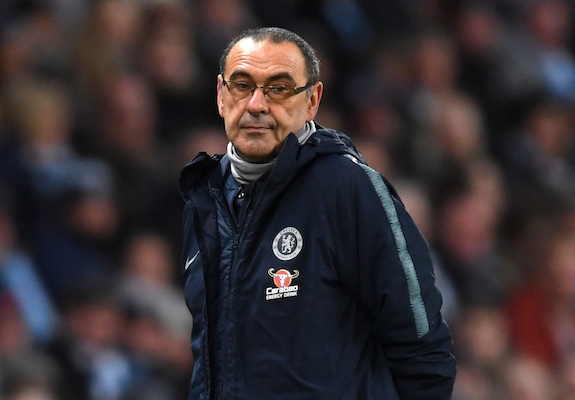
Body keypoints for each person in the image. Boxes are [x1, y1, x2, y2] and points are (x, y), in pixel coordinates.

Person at [179, 27, 455, 400]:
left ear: (312, 100)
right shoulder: (206, 199)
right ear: (220, 96)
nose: (256, 105)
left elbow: (422, 344)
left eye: (278, 88)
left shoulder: (346, 187)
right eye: (242, 85)